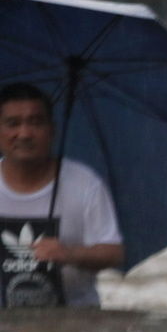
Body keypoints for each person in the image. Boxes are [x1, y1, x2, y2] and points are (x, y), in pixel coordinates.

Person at [0, 83, 123, 308]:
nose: (25, 133)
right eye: (13, 123)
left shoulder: (84, 183)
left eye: (36, 122)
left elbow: (113, 252)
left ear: (52, 131)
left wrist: (69, 253)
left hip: (75, 319)